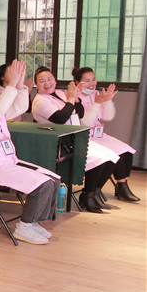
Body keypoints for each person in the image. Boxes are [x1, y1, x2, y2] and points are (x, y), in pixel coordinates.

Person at [0, 62, 62, 245]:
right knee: (42, 185)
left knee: (53, 180)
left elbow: (19, 108)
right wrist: (11, 84)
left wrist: (20, 86)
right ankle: (24, 227)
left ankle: (34, 222)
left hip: (7, 161)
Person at [31, 67, 120, 213]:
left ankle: (91, 194)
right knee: (99, 158)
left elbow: (80, 112)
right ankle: (87, 196)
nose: (47, 83)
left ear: (55, 80)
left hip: (74, 137)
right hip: (58, 143)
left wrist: (76, 99)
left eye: (49, 79)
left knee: (111, 156)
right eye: (42, 81)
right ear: (36, 84)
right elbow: (60, 118)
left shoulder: (60, 93)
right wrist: (72, 99)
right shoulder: (40, 101)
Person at [73, 67, 139, 202]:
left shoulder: (95, 94)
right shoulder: (74, 98)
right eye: (87, 81)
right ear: (77, 83)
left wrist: (107, 101)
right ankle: (96, 192)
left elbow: (107, 117)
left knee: (126, 150)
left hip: (98, 134)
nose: (92, 83)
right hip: (85, 136)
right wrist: (97, 103)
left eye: (93, 79)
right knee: (114, 154)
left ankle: (121, 186)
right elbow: (84, 124)